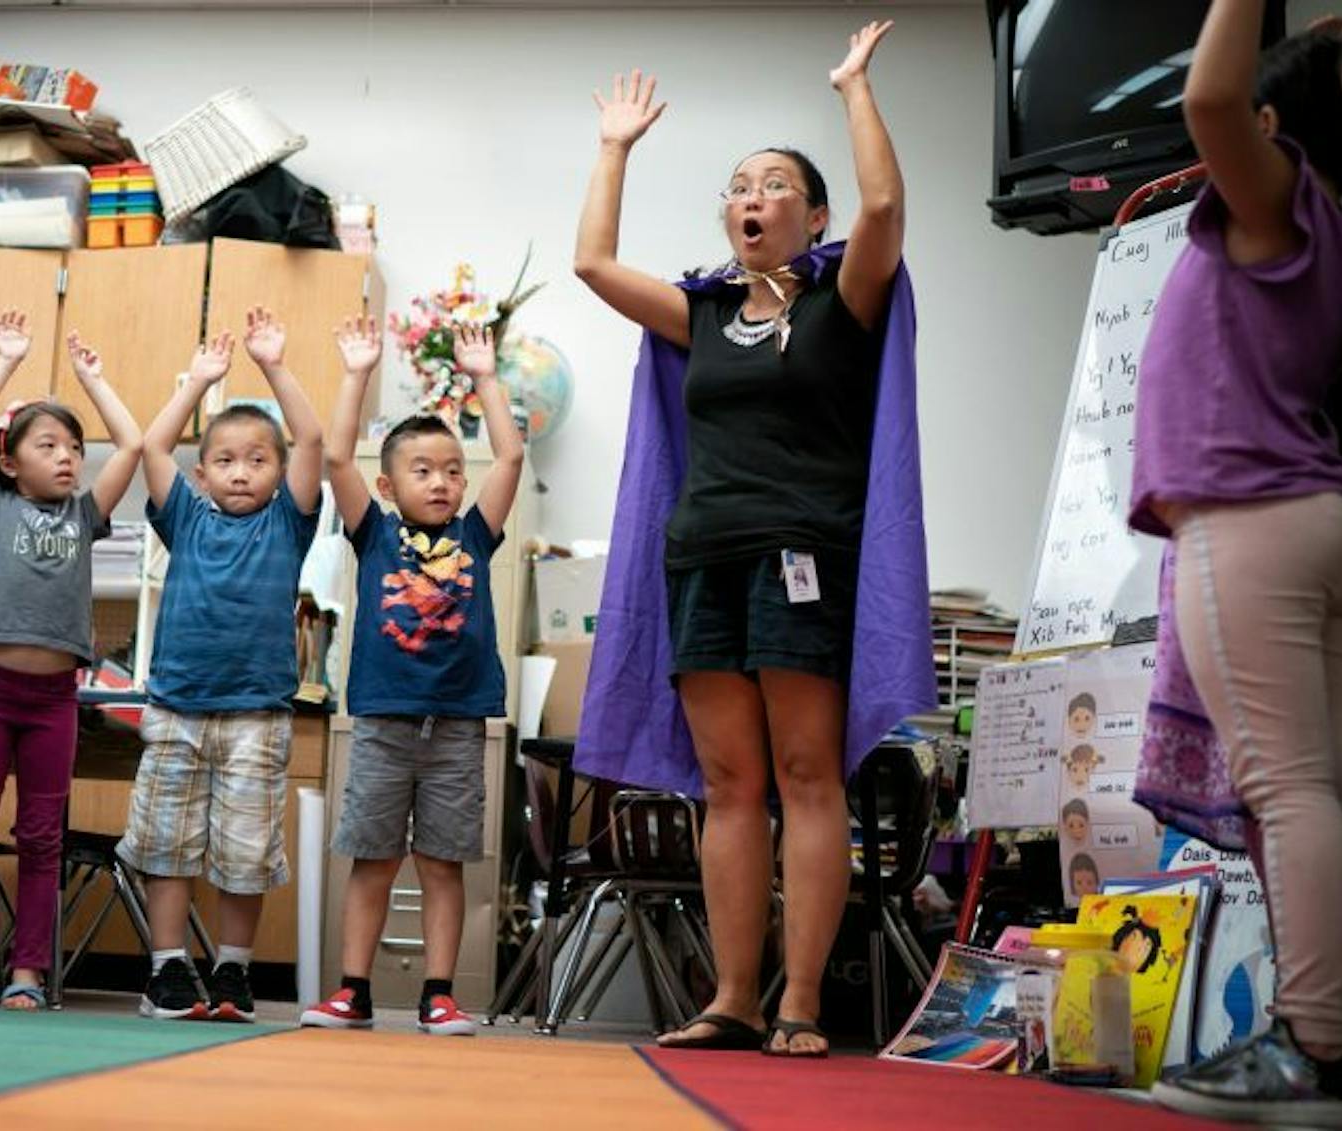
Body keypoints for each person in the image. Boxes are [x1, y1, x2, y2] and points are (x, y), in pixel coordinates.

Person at [571, 20, 921, 1058]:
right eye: (738, 185)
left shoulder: (843, 301)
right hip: (703, 559)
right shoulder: (705, 314)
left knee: (809, 775)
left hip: (804, 553)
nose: (751, 197)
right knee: (730, 784)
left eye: (773, 185)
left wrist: (853, 88)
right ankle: (734, 998)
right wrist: (614, 148)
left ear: (810, 216)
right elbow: (592, 262)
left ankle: (803, 999)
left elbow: (888, 206)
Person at [1129, 5, 1342, 1123]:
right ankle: (1323, 1042)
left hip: (1254, 524)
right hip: (1317, 522)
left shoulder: (1275, 194)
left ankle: (1310, 1047)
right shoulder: (1326, 220)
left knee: (1291, 794)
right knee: (1322, 793)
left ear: (1280, 123)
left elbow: (1209, 99)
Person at [299, 322, 522, 1036]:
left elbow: (511, 453)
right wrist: (357, 371)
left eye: (453, 469)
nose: (443, 481)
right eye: (424, 470)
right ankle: (353, 990)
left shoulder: (476, 535)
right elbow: (336, 453)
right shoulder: (376, 532)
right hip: (384, 720)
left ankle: (438, 993)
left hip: (457, 723)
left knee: (443, 862)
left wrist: (485, 377)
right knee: (372, 856)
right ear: (392, 484)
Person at [0, 315, 143, 1010]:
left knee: (41, 838)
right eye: (49, 444)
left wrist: (95, 381)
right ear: (11, 462)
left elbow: (134, 443)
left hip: (55, 700)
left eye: (75, 448)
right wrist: (5, 359)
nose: (69, 457)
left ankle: (26, 972)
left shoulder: (84, 517)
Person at [119, 310, 325, 1023]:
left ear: (278, 471)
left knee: (246, 848)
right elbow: (151, 444)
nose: (242, 471)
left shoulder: (287, 522)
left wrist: (273, 366)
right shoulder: (186, 517)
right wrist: (199, 380)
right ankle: (167, 970)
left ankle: (234, 972)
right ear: (201, 473)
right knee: (167, 843)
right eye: (227, 460)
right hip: (177, 706)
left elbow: (317, 440)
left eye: (259, 459)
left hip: (257, 712)